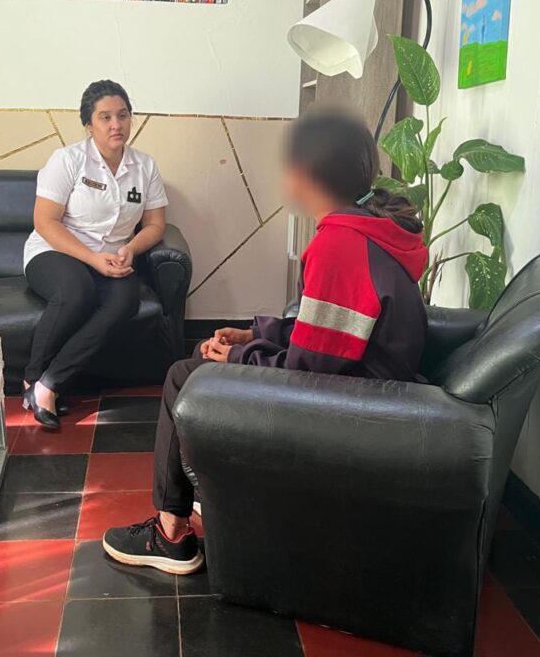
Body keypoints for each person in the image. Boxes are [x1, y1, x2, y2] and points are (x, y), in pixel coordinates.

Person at [102, 108, 429, 574]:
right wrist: (255, 335)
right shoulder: (366, 230)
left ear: (306, 174)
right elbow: (332, 337)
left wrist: (239, 355)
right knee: (200, 359)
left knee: (183, 376)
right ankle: (207, 494)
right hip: (357, 388)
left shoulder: (340, 244)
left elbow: (309, 372)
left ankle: (171, 535)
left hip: (352, 410)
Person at [22, 80, 168, 431]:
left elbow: (155, 224)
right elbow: (45, 221)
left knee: (125, 302)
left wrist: (130, 248)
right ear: (89, 124)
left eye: (123, 115)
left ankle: (48, 384)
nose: (116, 124)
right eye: (105, 117)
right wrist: (91, 258)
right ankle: (32, 376)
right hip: (55, 251)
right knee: (77, 292)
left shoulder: (145, 166)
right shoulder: (68, 160)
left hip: (112, 258)